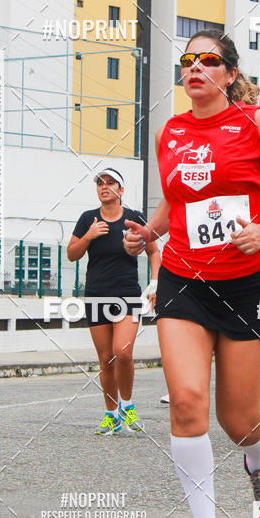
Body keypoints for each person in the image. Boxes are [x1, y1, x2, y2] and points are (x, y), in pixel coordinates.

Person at [123, 29, 260, 518]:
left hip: (246, 285)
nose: (196, 68)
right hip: (183, 279)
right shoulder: (172, 132)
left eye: (209, 61)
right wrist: (147, 232)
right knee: (185, 401)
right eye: (188, 61)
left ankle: (258, 460)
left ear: (229, 74)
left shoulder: (254, 123)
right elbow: (174, 201)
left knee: (239, 419)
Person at [67, 169, 160, 435]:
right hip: (96, 293)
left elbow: (154, 252)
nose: (104, 187)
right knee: (106, 359)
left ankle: (127, 406)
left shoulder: (134, 218)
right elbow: (72, 254)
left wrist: (154, 283)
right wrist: (89, 236)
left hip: (127, 294)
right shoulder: (88, 219)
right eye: (100, 183)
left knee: (123, 351)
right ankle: (111, 414)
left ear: (121, 190)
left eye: (110, 183)